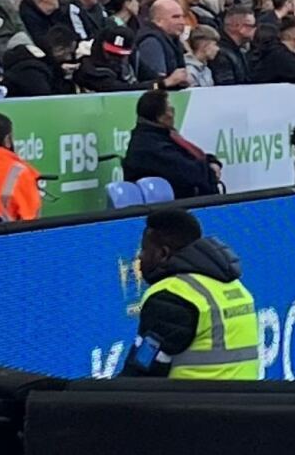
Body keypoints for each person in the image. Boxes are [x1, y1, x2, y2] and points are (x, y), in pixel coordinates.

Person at [121, 208, 261, 380]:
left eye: (143, 250)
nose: (140, 258)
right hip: (245, 402)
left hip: (194, 404)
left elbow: (141, 376)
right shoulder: (234, 286)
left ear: (163, 253)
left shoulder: (173, 297)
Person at [124, 90, 222, 199]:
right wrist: (210, 169)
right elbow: (189, 172)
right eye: (171, 110)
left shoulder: (161, 137)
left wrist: (211, 161)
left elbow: (188, 160)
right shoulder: (149, 146)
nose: (173, 115)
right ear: (160, 117)